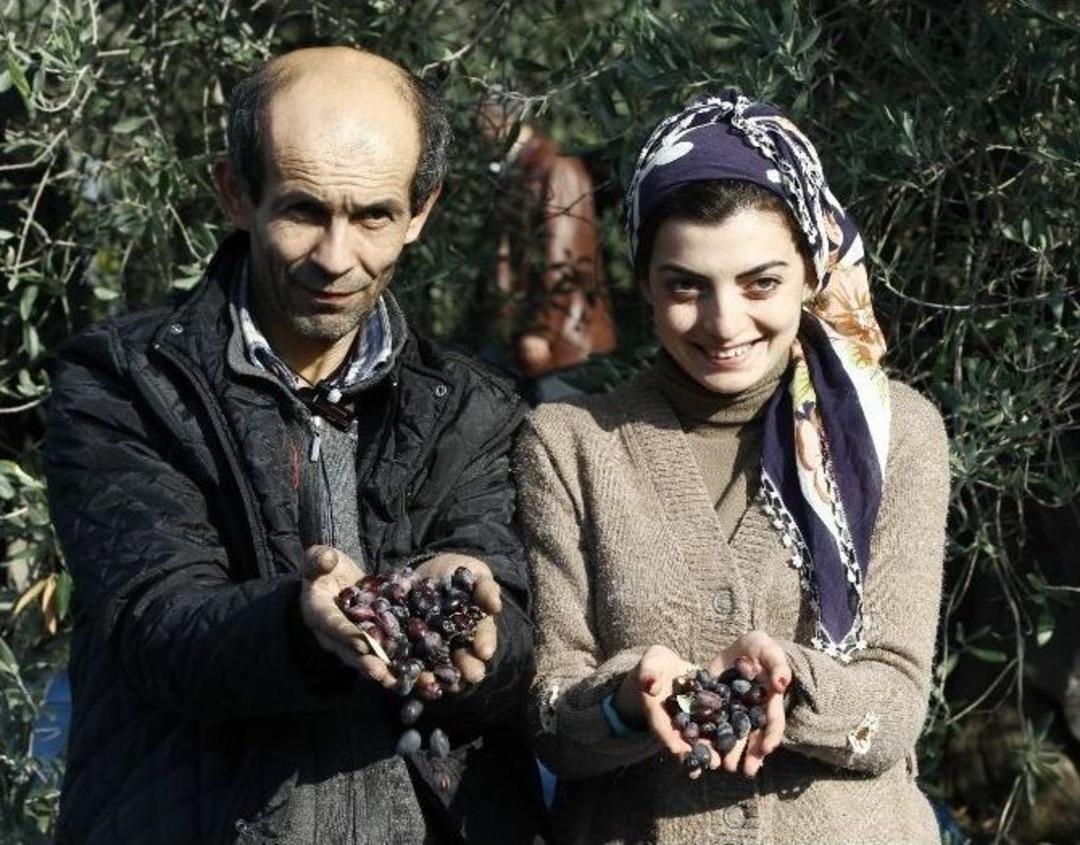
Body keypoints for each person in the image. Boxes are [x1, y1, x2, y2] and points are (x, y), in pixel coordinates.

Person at [45, 47, 544, 844]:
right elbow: (159, 625)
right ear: (236, 193)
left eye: (374, 215)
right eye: (305, 211)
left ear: (422, 210)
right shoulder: (123, 385)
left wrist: (491, 629)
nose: (336, 258)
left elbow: (512, 637)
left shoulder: (475, 409)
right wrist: (298, 625)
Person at [515, 92, 950, 843]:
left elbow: (897, 699)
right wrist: (625, 699)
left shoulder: (892, 431)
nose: (723, 324)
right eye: (686, 284)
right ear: (644, 280)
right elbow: (551, 714)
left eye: (761, 282)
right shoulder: (569, 442)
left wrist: (793, 679)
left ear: (811, 269)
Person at [478, 92, 617, 402]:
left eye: (482, 123)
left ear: (496, 123)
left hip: (561, 340)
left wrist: (542, 329)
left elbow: (566, 257)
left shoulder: (555, 168)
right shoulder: (521, 169)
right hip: (526, 331)